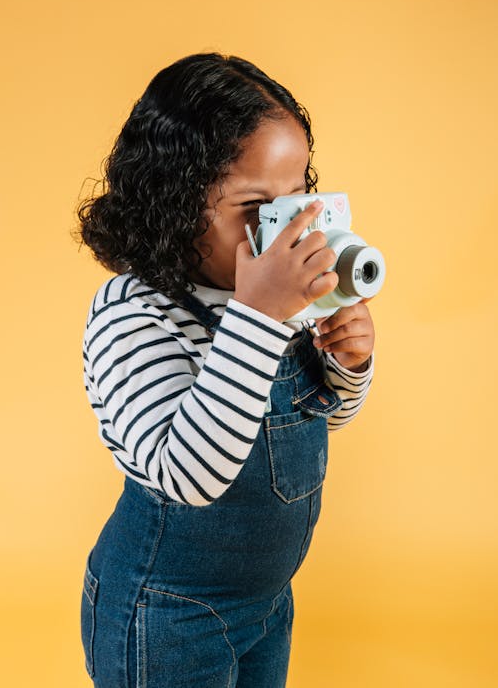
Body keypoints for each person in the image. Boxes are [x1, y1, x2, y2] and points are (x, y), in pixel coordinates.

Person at [78, 52, 375, 688]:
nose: (286, 229)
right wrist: (260, 317)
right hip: (166, 614)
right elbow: (190, 477)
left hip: (266, 602)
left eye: (297, 199)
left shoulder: (282, 305)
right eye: (254, 207)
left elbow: (321, 421)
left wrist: (347, 364)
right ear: (175, 204)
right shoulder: (134, 315)